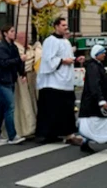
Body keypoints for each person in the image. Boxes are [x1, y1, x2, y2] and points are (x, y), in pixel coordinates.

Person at [35, 17, 83, 145]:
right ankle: (48, 134)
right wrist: (62, 61)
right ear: (56, 26)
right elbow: (48, 60)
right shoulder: (50, 41)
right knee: (51, 111)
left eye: (66, 25)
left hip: (65, 81)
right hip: (52, 82)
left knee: (67, 110)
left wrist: (76, 59)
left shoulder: (66, 42)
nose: (66, 27)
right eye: (63, 25)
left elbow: (68, 57)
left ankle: (68, 134)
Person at [0, 25, 27, 145]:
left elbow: (17, 61)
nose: (14, 33)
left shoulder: (13, 46)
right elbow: (4, 63)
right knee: (10, 107)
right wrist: (19, 60)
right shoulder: (1, 47)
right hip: (1, 79)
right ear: (5, 33)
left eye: (14, 31)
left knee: (3, 107)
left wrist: (22, 73)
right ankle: (12, 135)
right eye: (11, 31)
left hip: (10, 79)